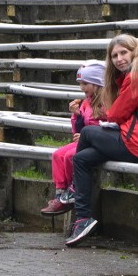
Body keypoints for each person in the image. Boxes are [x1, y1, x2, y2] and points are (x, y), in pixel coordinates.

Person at [66, 34, 138, 247]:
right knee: (82, 159)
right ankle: (83, 218)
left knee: (87, 134)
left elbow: (116, 113)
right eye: (114, 55)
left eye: (123, 53)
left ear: (134, 52)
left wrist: (112, 106)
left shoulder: (136, 77)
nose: (119, 59)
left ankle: (73, 191)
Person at [41, 61, 109, 216]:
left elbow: (111, 127)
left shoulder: (107, 103)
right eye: (80, 84)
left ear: (98, 83)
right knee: (57, 154)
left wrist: (89, 133)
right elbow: (77, 131)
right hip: (84, 141)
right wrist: (77, 115)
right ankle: (61, 194)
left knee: (71, 156)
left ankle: (73, 190)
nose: (82, 88)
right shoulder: (85, 103)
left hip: (99, 144)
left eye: (85, 83)